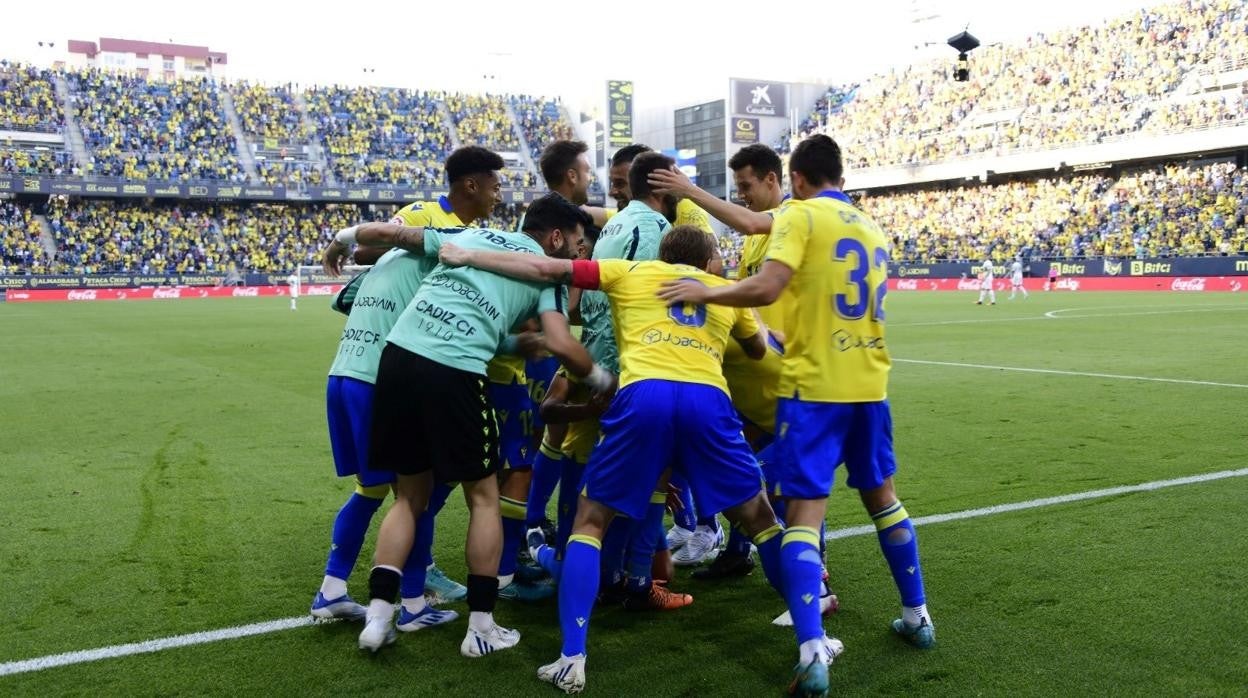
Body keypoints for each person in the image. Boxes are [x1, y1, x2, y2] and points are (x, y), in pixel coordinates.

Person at [440, 226, 837, 695]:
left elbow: (547, 268)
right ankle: (813, 644)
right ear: (708, 260)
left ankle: (572, 659)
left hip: (642, 393)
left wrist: (467, 255)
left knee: (590, 522)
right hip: (707, 400)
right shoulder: (725, 291)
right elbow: (755, 350)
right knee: (761, 519)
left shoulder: (630, 271)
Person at [659, 134, 935, 696]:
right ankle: (917, 616)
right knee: (884, 498)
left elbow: (768, 284)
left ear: (799, 180)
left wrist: (706, 291)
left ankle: (813, 653)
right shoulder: (869, 225)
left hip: (814, 386)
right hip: (870, 383)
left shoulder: (801, 216)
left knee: (804, 516)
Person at [329, 194, 611, 657]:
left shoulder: (470, 235)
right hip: (454, 370)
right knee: (483, 498)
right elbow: (564, 343)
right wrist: (601, 378)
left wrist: (342, 240)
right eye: (578, 244)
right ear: (556, 237)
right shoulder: (550, 271)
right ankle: (481, 627)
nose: (580, 254)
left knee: (408, 497)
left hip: (396, 359)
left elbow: (392, 234)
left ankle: (379, 618)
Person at [310, 147, 504, 625]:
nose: (501, 194)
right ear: (472, 186)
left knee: (374, 492)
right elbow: (373, 244)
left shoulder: (410, 249)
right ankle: (413, 601)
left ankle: (335, 590)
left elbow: (359, 271)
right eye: (495, 185)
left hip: (346, 370)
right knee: (413, 495)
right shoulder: (446, 235)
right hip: (381, 375)